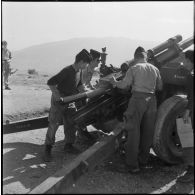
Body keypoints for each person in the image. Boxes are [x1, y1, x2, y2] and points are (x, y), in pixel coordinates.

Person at [108, 46, 163, 173]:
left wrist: (114, 81)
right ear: (145, 57)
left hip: (138, 99)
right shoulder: (155, 69)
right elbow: (160, 87)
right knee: (148, 131)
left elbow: (124, 85)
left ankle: (132, 165)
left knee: (133, 131)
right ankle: (143, 161)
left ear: (135, 58)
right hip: (152, 101)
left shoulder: (134, 68)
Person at [43, 49, 92, 162]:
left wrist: (87, 93)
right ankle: (47, 149)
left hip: (70, 100)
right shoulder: (67, 70)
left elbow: (79, 85)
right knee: (54, 124)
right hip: (59, 100)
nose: (86, 66)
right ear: (80, 61)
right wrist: (57, 96)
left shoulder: (79, 71)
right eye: (86, 63)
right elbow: (51, 82)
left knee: (71, 122)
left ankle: (68, 145)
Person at [178, 49, 194, 183]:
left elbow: (193, 96)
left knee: (188, 138)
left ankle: (191, 171)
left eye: (184, 60)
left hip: (192, 110)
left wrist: (188, 111)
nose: (183, 63)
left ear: (189, 61)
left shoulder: (192, 75)